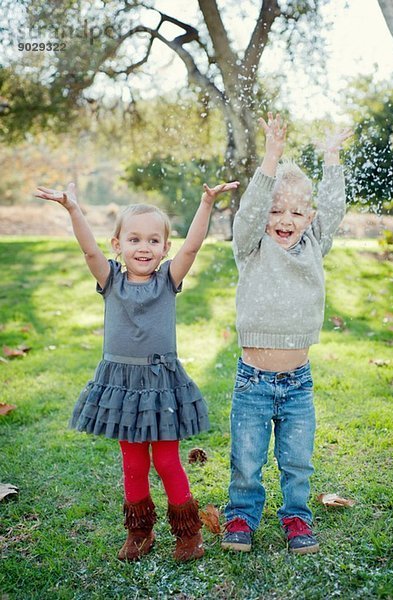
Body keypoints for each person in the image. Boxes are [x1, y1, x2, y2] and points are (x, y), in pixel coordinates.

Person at [34, 178, 239, 562]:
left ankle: (187, 532)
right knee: (132, 463)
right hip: (122, 386)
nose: (143, 247)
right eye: (134, 239)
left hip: (161, 385)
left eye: (152, 240)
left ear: (164, 247)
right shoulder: (110, 280)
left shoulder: (167, 281)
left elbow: (193, 246)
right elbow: (88, 250)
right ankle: (140, 531)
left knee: (166, 461)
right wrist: (74, 209)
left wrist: (207, 203)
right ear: (118, 244)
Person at [221, 113, 352, 555]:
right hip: (252, 381)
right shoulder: (251, 244)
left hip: (298, 382)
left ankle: (297, 517)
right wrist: (271, 157)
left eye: (297, 211)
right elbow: (253, 207)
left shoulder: (315, 242)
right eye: (276, 210)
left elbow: (333, 208)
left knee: (297, 462)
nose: (285, 219)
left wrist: (332, 158)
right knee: (247, 459)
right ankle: (240, 516)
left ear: (309, 216)